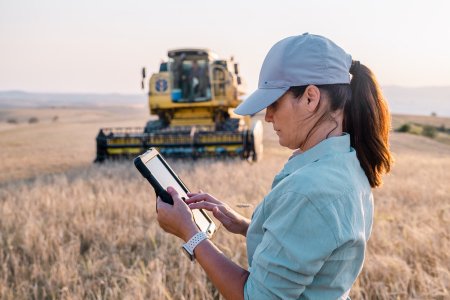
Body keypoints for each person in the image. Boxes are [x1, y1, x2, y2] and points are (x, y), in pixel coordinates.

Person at [156, 33, 393, 299]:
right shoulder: (348, 163)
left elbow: (255, 296)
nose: (267, 117)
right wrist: (246, 225)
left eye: (274, 104)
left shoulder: (309, 190)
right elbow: (312, 244)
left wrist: (191, 234)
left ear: (310, 98)